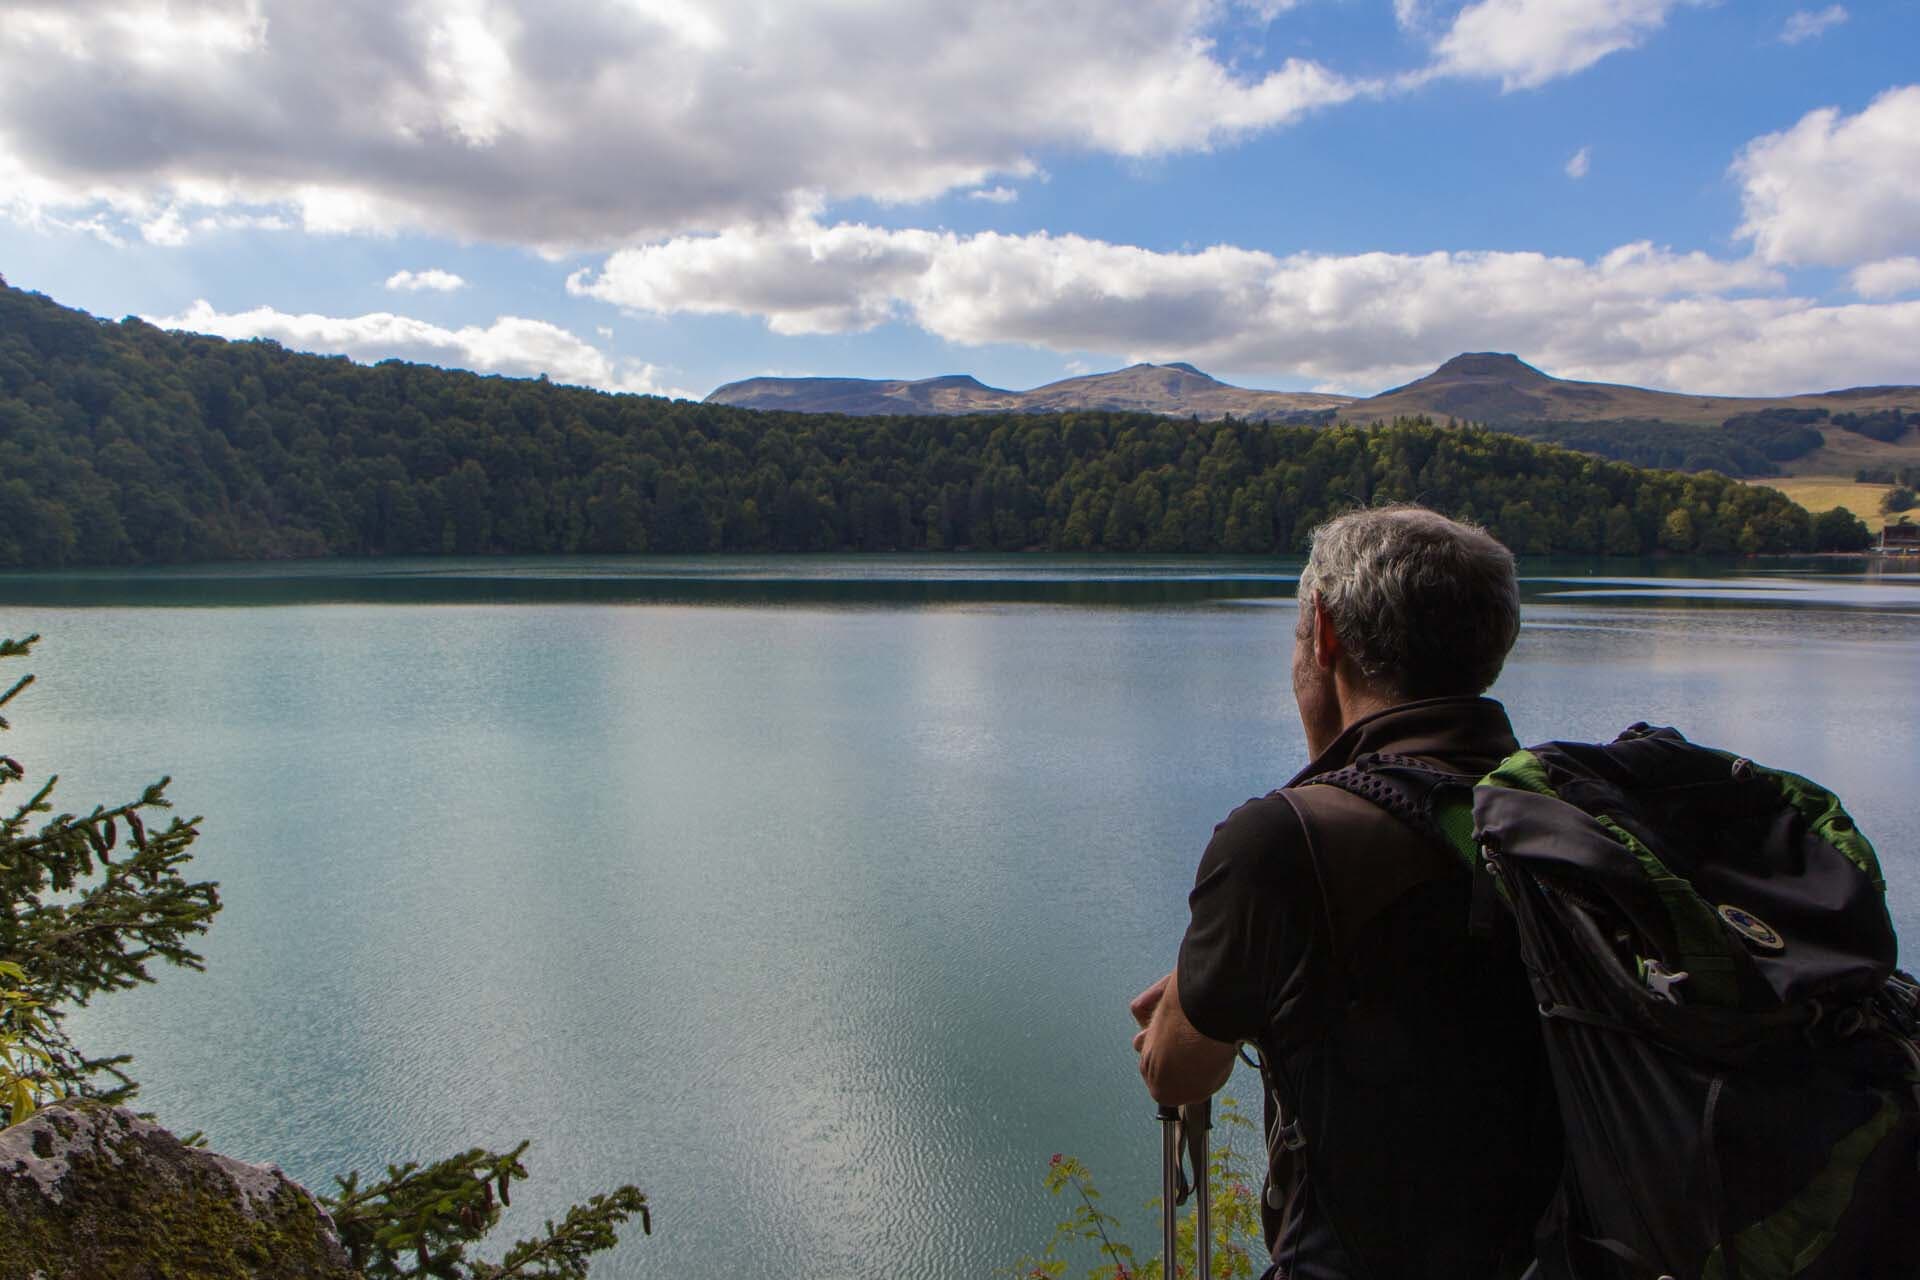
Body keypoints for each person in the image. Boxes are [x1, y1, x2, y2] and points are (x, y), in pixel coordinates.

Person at [1129, 504, 1561, 1280]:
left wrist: (1194, 997)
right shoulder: (1564, 809)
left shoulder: (1285, 842)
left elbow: (1177, 1070)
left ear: (1324, 633)